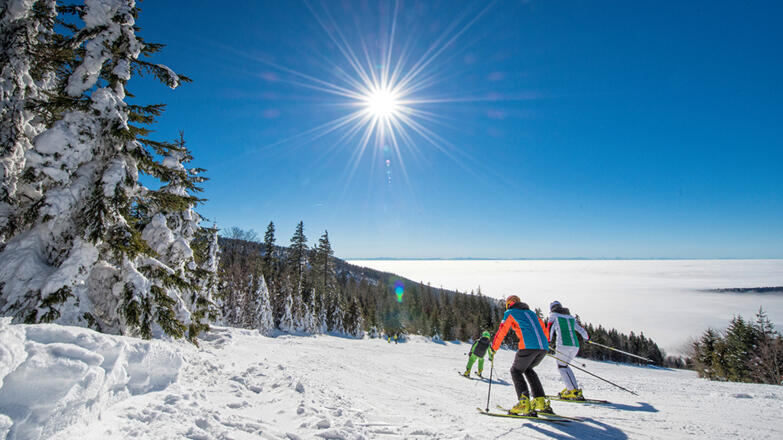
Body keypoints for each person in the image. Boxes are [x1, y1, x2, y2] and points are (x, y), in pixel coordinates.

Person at [490, 295, 553, 416]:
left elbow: (502, 330)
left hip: (528, 346)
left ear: (509, 304)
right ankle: (540, 401)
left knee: (516, 371)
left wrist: (493, 348)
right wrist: (545, 343)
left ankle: (524, 404)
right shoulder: (532, 313)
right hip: (543, 347)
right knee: (528, 369)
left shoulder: (510, 312)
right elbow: (544, 329)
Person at [547, 300, 590, 401]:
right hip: (575, 346)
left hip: (563, 345)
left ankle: (573, 391)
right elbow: (581, 330)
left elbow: (549, 329)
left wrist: (547, 341)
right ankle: (572, 389)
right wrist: (587, 338)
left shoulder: (553, 316)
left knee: (561, 367)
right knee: (564, 366)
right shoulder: (570, 317)